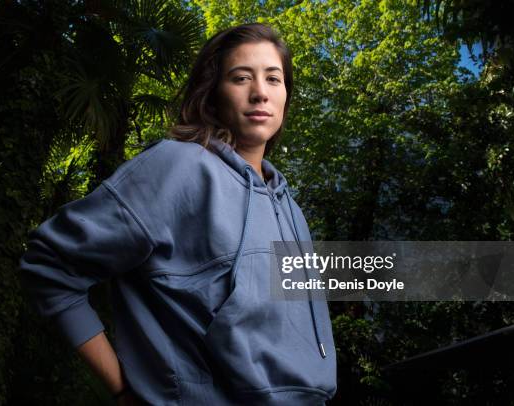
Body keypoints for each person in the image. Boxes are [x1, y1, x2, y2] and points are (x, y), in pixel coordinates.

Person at [19, 23, 337, 405]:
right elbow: (49, 264)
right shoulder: (178, 166)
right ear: (212, 92)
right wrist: (122, 388)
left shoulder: (291, 209)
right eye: (240, 78)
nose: (260, 93)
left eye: (274, 78)